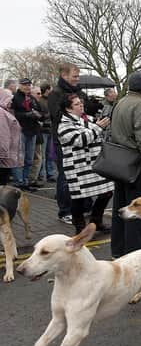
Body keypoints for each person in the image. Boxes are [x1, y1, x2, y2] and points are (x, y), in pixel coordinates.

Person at [109, 72, 141, 258]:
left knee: (120, 210)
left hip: (119, 163)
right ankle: (135, 254)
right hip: (137, 165)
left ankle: (118, 251)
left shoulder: (120, 102)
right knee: (138, 212)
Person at [58, 94, 113, 234]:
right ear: (68, 109)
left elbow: (98, 129)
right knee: (79, 198)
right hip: (78, 167)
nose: (81, 105)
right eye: (76, 104)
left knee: (107, 192)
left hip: (94, 164)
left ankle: (96, 221)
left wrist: (104, 123)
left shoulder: (87, 118)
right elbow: (81, 140)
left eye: (80, 103)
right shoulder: (64, 125)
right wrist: (98, 127)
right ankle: (80, 228)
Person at [48, 63, 88, 225]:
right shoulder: (55, 94)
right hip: (63, 140)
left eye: (78, 76)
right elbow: (56, 116)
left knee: (81, 173)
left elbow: (87, 110)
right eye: (75, 76)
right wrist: (75, 112)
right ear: (64, 75)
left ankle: (81, 208)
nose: (77, 79)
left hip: (80, 137)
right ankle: (65, 211)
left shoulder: (78, 92)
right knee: (65, 176)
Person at [11, 78, 42, 191]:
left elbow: (40, 110)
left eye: (29, 85)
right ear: (20, 85)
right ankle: (18, 182)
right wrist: (27, 114)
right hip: (20, 130)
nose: (27, 87)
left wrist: (38, 115)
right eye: (24, 85)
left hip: (32, 130)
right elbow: (13, 114)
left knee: (29, 159)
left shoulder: (32, 98)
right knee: (20, 157)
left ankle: (25, 181)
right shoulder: (15, 97)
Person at [0, 89, 22, 185]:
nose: (11, 102)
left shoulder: (5, 112)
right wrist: (3, 154)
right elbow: (3, 135)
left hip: (6, 156)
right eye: (10, 99)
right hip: (4, 157)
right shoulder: (1, 113)